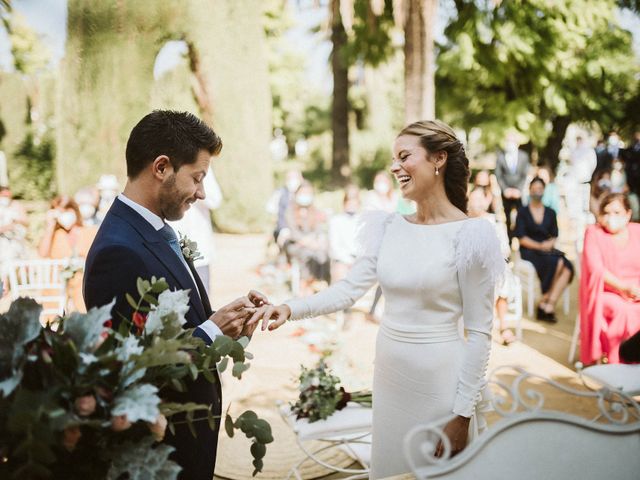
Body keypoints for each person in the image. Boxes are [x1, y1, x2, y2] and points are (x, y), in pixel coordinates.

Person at [250, 120, 504, 479]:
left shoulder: (471, 235)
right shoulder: (387, 227)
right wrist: (289, 308)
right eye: (393, 158)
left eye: (404, 156)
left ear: (439, 159)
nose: (394, 166)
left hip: (441, 388)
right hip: (390, 378)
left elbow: (479, 334)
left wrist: (461, 414)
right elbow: (348, 289)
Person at [83, 110, 267, 479]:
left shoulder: (152, 229)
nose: (201, 193)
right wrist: (212, 331)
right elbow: (132, 370)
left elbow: (181, 324)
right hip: (162, 452)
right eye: (197, 178)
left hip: (190, 440)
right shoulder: (117, 252)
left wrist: (225, 325)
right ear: (162, 167)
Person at [580, 193, 640, 365]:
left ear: (628, 214)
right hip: (606, 293)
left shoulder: (637, 231)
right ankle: (618, 361)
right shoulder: (594, 233)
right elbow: (596, 270)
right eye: (606, 212)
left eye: (616, 212)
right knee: (624, 311)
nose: (610, 217)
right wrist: (623, 288)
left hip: (636, 291)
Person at [514, 177, 574, 322]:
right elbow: (521, 237)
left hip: (548, 250)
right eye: (534, 189)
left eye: (540, 189)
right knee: (559, 263)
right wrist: (540, 246)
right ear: (530, 190)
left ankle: (547, 304)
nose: (537, 192)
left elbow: (554, 235)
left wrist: (549, 244)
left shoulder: (550, 212)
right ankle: (545, 303)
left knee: (568, 267)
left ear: (544, 190)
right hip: (530, 250)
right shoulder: (522, 212)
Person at [468, 189, 516, 345]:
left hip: (492, 265)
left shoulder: (494, 222)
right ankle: (480, 327)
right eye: (473, 199)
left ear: (486, 201)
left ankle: (503, 326)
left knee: (501, 276)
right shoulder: (463, 222)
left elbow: (505, 249)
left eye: (480, 198)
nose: (477, 202)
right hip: (471, 269)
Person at [39, 195, 98, 312]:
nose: (63, 215)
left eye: (66, 211)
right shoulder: (56, 235)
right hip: (59, 282)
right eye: (59, 213)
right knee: (53, 301)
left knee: (84, 291)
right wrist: (50, 225)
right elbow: (43, 253)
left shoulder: (89, 231)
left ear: (74, 211)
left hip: (82, 281)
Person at [169, 166, 223, 295]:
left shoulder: (202, 164)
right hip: (171, 250)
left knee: (201, 302)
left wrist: (194, 184)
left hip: (198, 249)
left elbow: (214, 200)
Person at [279, 180, 330, 294]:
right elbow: (293, 231)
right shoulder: (290, 210)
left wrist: (314, 241)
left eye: (308, 193)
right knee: (307, 254)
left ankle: (318, 280)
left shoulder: (314, 210)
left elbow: (318, 229)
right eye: (303, 193)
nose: (305, 196)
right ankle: (305, 282)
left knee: (322, 253)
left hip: (312, 243)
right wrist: (306, 241)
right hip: (295, 244)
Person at [495, 132, 530, 241]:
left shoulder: (524, 156)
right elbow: (498, 175)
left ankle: (521, 240)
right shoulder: (500, 157)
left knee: (521, 217)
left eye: (512, 141)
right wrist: (505, 189)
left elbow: (524, 175)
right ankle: (509, 241)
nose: (510, 144)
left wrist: (519, 190)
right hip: (506, 192)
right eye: (508, 141)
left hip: (519, 193)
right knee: (507, 218)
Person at [328, 185, 361, 283]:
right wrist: (348, 261)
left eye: (354, 200)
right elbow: (334, 247)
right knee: (341, 275)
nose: (352, 204)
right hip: (341, 261)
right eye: (349, 201)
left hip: (360, 260)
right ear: (344, 202)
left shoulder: (364, 220)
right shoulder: (336, 221)